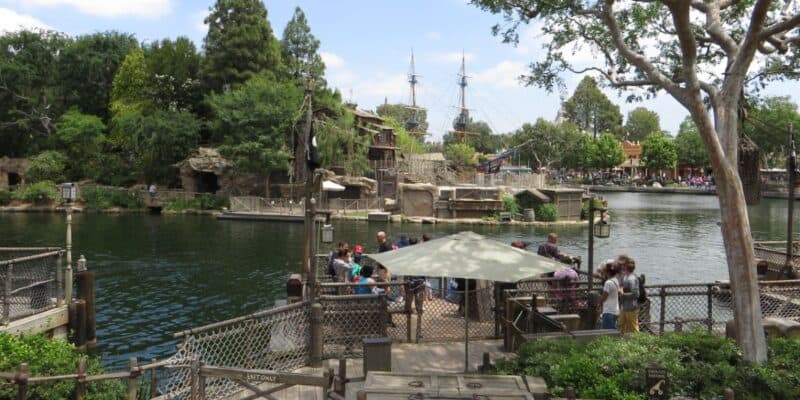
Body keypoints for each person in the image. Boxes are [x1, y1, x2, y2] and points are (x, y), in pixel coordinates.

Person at [618, 255, 640, 334]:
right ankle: (620, 342)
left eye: (623, 265)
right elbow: (621, 285)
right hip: (624, 306)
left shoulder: (632, 278)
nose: (621, 266)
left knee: (633, 328)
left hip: (631, 307)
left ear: (626, 267)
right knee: (621, 325)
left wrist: (623, 294)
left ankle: (638, 342)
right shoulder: (625, 276)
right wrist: (620, 288)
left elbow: (636, 294)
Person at [598, 261, 621, 330]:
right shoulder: (616, 280)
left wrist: (599, 304)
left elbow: (604, 297)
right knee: (613, 332)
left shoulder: (608, 283)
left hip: (608, 311)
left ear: (607, 272)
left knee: (608, 334)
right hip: (616, 310)